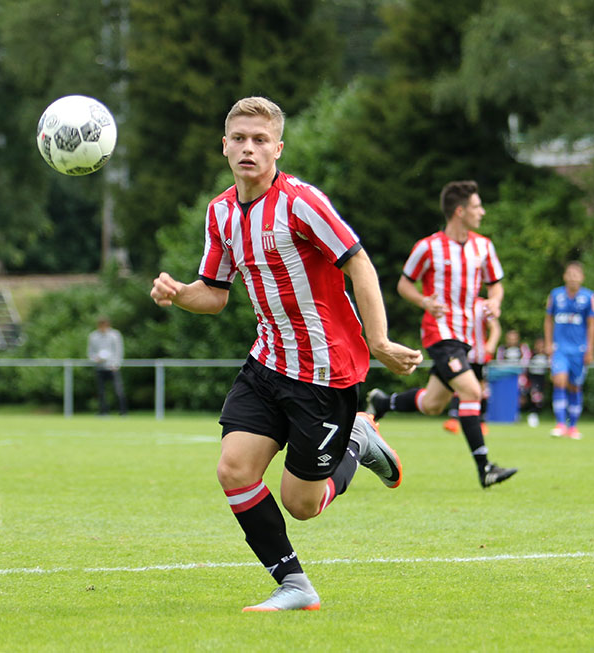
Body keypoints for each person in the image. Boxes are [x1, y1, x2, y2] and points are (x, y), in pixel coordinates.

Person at [149, 96, 421, 612]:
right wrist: (180, 293)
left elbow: (358, 263)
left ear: (277, 147)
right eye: (239, 138)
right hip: (267, 363)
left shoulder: (301, 202)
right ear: (224, 145)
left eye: (260, 139)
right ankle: (295, 585)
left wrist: (379, 341)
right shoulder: (221, 211)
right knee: (233, 469)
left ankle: (358, 440)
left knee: (302, 505)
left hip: (324, 373)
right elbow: (214, 292)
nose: (248, 148)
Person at [366, 180, 518, 489]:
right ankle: (485, 467)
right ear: (460, 211)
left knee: (434, 403)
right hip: (441, 333)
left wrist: (495, 303)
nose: (482, 212)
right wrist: (424, 301)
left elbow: (496, 284)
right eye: (477, 207)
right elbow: (404, 284)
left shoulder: (483, 246)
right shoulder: (428, 247)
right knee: (472, 392)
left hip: (467, 336)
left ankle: (384, 403)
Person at [544, 261, 594, 439]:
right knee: (560, 381)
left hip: (579, 349)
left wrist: (590, 349)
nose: (573, 278)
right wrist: (548, 343)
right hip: (560, 348)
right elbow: (548, 319)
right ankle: (560, 423)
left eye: (577, 275)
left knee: (575, 386)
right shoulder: (555, 295)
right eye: (570, 274)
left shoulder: (590, 297)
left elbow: (592, 325)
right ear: (565, 276)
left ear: (582, 278)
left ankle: (573, 426)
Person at [443, 302, 500, 434]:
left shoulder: (484, 305)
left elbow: (495, 328)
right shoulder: (455, 303)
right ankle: (454, 419)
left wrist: (491, 344)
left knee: (481, 387)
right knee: (457, 383)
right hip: (459, 352)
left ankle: (481, 421)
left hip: (479, 355)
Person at [87, 317, 127, 416]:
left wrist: (116, 364)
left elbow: (119, 350)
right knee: (101, 392)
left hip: (112, 367)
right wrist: (95, 358)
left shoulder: (115, 335)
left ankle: (123, 412)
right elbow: (90, 352)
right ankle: (103, 412)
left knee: (118, 390)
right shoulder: (93, 336)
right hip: (100, 367)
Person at [524, 337, 550, 427]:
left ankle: (535, 413)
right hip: (533, 379)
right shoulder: (532, 355)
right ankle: (532, 413)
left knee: (540, 398)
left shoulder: (547, 356)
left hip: (542, 379)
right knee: (534, 396)